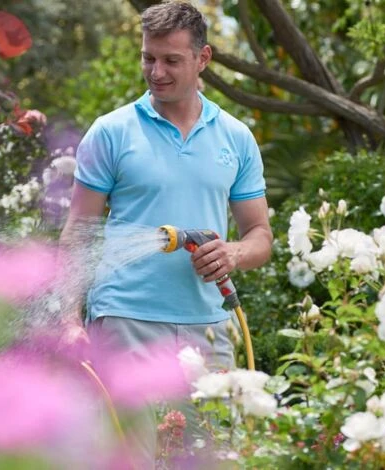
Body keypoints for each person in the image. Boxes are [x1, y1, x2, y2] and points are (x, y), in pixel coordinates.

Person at [60, 1, 272, 466]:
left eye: (171, 60)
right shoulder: (111, 133)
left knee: (209, 457)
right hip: (124, 319)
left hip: (208, 326)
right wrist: (69, 320)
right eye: (148, 58)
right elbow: (78, 232)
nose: (156, 72)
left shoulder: (236, 138)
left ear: (203, 58)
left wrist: (233, 254)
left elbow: (259, 234)